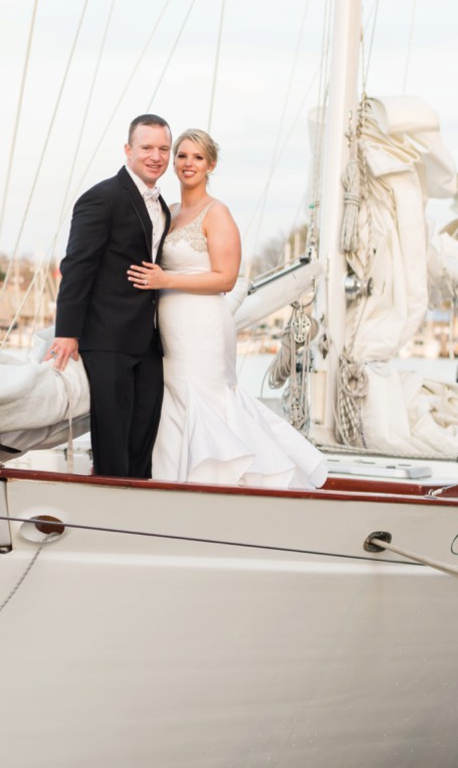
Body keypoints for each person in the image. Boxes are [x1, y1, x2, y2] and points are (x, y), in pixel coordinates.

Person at [127, 129, 326, 489]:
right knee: (174, 398)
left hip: (203, 325)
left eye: (198, 158)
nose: (189, 164)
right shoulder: (168, 211)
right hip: (170, 327)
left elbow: (225, 279)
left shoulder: (217, 213)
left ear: (211, 165)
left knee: (204, 396)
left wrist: (164, 281)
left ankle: (225, 479)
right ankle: (173, 480)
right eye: (183, 156)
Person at [46, 114, 173, 478]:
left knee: (143, 432)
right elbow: (77, 266)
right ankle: (110, 510)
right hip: (106, 338)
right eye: (147, 147)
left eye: (163, 148)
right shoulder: (100, 198)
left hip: (148, 339)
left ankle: (138, 509)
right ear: (128, 150)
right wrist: (67, 331)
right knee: (113, 436)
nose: (156, 156)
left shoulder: (161, 206)